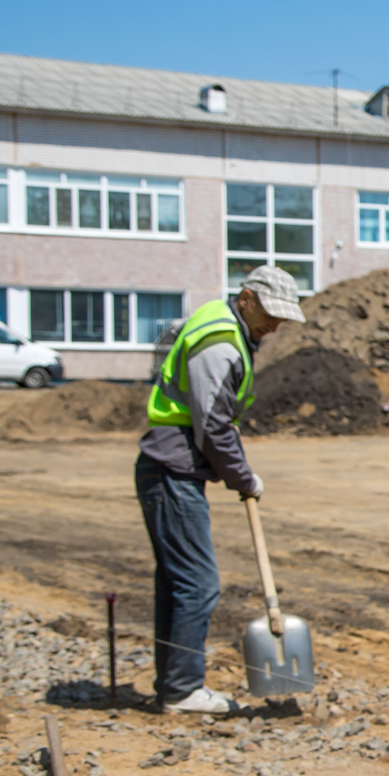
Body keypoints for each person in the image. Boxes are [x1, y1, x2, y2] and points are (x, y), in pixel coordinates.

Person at [136, 267, 302, 715]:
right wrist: (243, 477)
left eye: (282, 317)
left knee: (177, 582)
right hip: (172, 470)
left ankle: (173, 684)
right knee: (197, 582)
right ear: (246, 298)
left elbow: (217, 418)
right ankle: (183, 689)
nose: (275, 325)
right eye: (270, 314)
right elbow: (212, 424)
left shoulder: (223, 328)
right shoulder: (221, 342)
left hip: (171, 468)